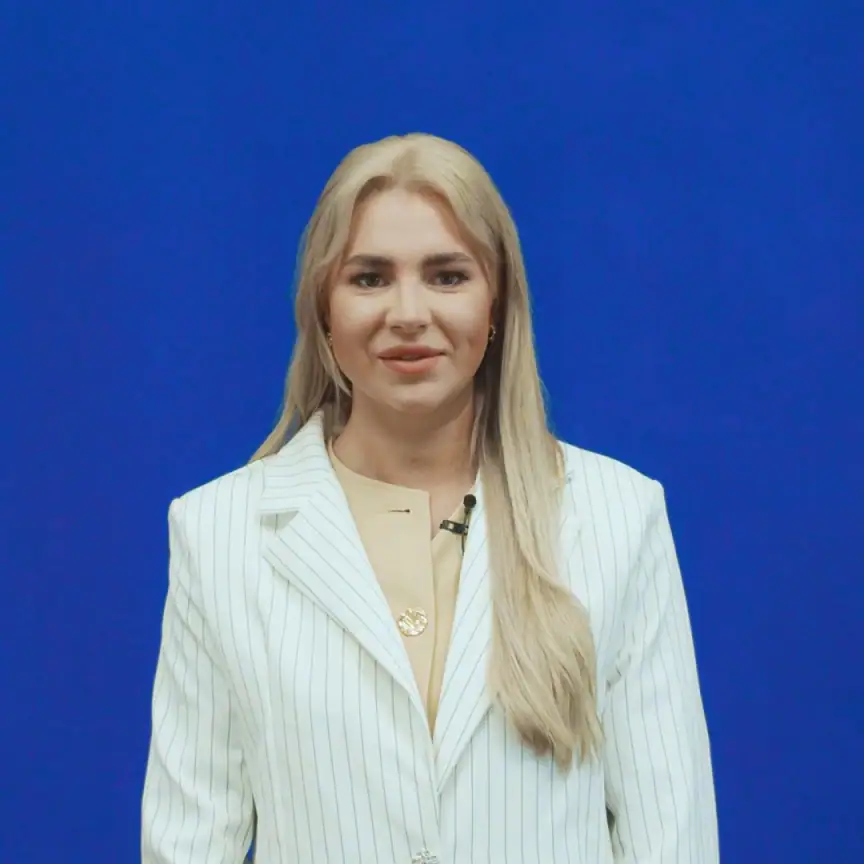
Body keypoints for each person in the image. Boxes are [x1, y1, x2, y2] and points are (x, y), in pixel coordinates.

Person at [141, 132, 719, 863]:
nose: (408, 313)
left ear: (497, 301)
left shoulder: (618, 515)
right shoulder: (217, 533)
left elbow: (672, 838)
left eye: (447, 276)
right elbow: (189, 842)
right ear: (323, 307)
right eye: (370, 278)